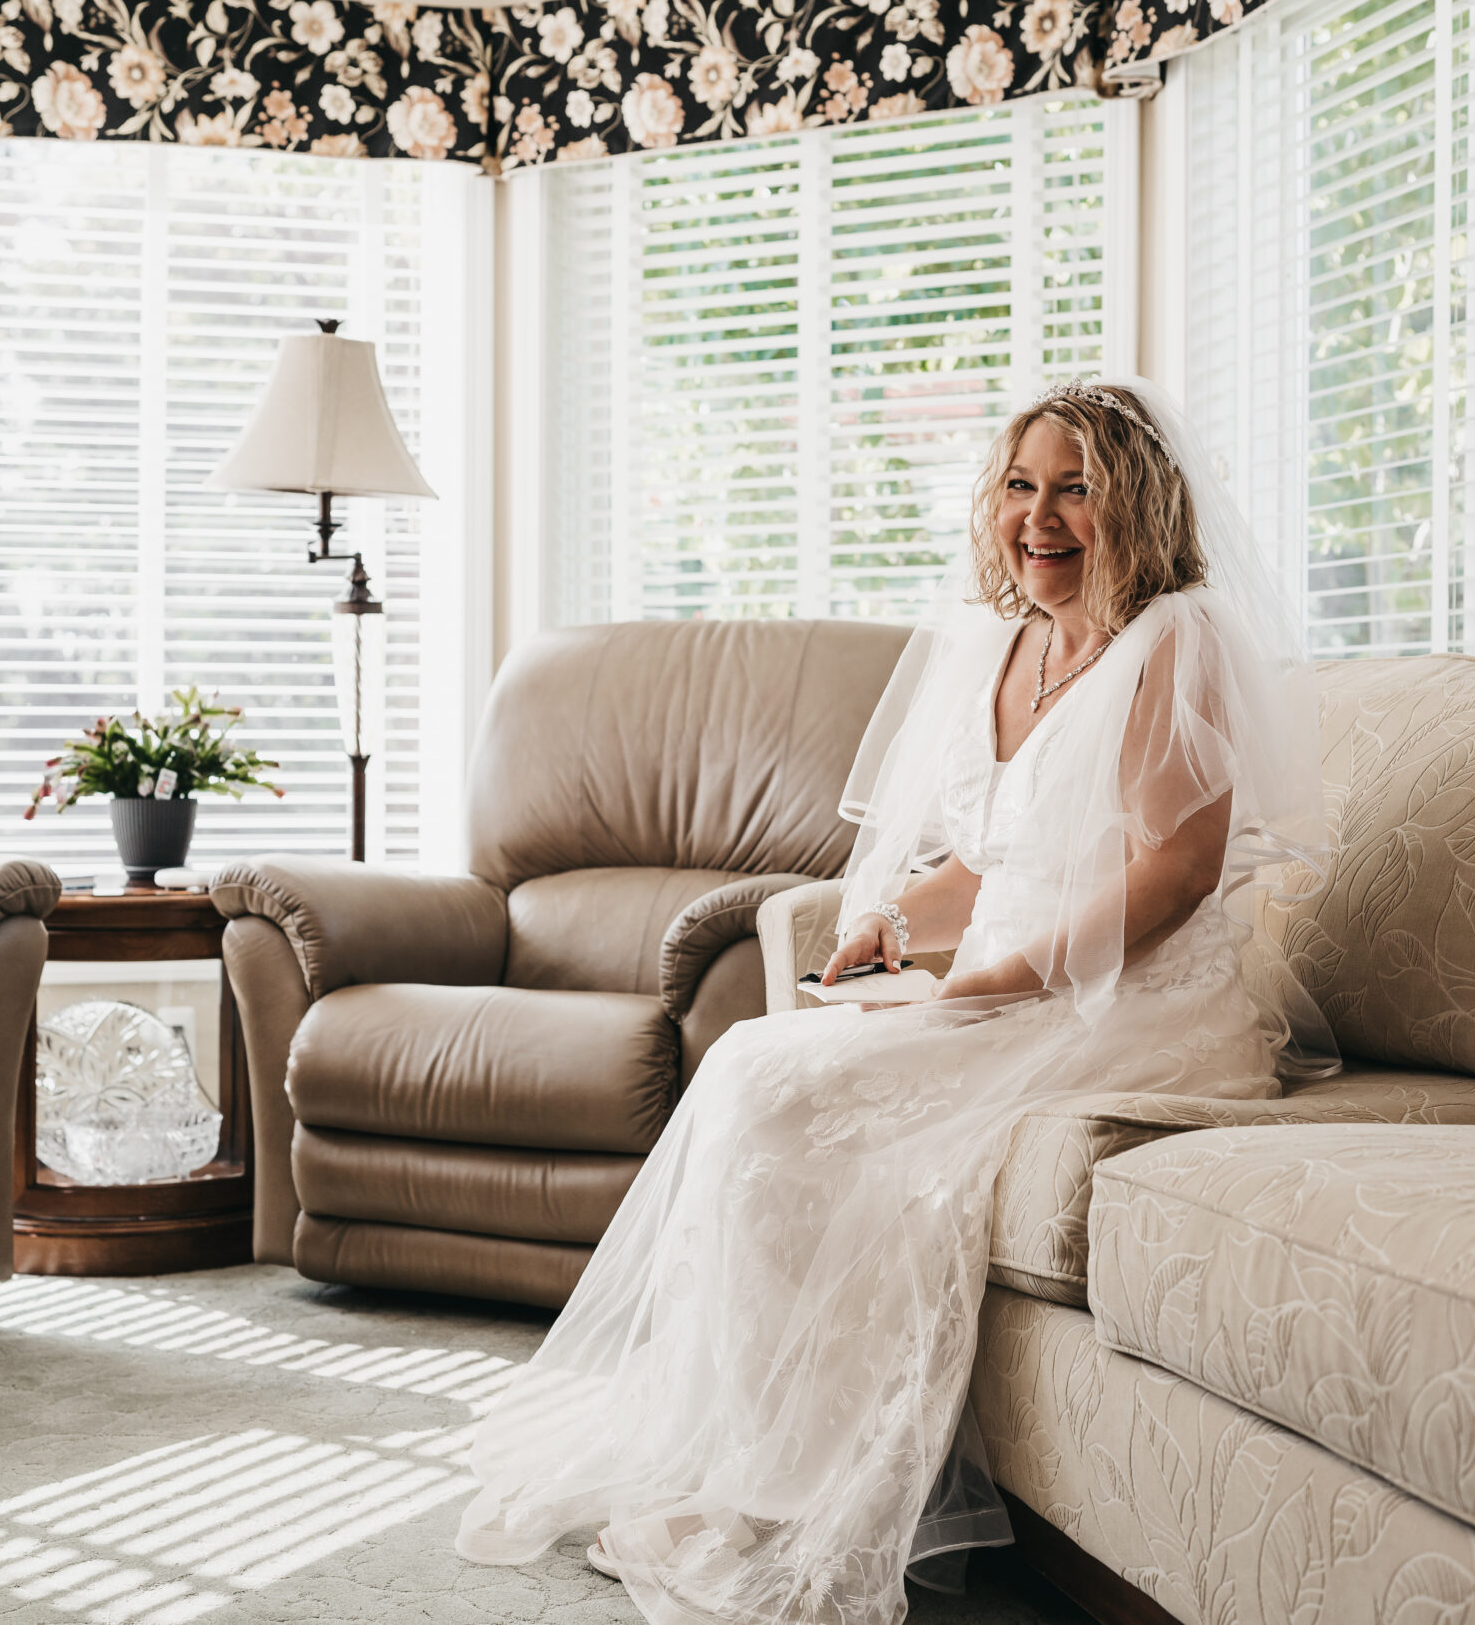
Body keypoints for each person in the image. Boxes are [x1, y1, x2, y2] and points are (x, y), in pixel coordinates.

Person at [454, 379, 1327, 1625]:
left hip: (1135, 1006)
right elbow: (988, 858)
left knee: (780, 1093)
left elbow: (1175, 871)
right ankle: (740, 1454)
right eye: (1019, 486)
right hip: (1005, 985)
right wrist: (893, 925)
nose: (1039, 518)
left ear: (1134, 503)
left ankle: (792, 1494)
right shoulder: (1012, 643)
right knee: (753, 1069)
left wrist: (996, 980)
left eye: (1075, 489)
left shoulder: (1171, 641)